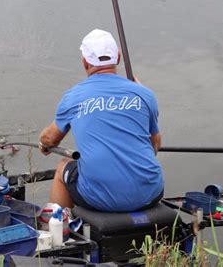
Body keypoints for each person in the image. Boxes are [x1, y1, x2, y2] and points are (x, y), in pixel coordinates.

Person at [39, 29, 163, 212]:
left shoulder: (74, 96)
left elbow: (50, 139)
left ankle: (60, 231)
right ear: (118, 58)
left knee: (63, 166)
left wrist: (43, 143)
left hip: (100, 198)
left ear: (85, 62)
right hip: (150, 192)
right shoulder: (145, 94)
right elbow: (155, 146)